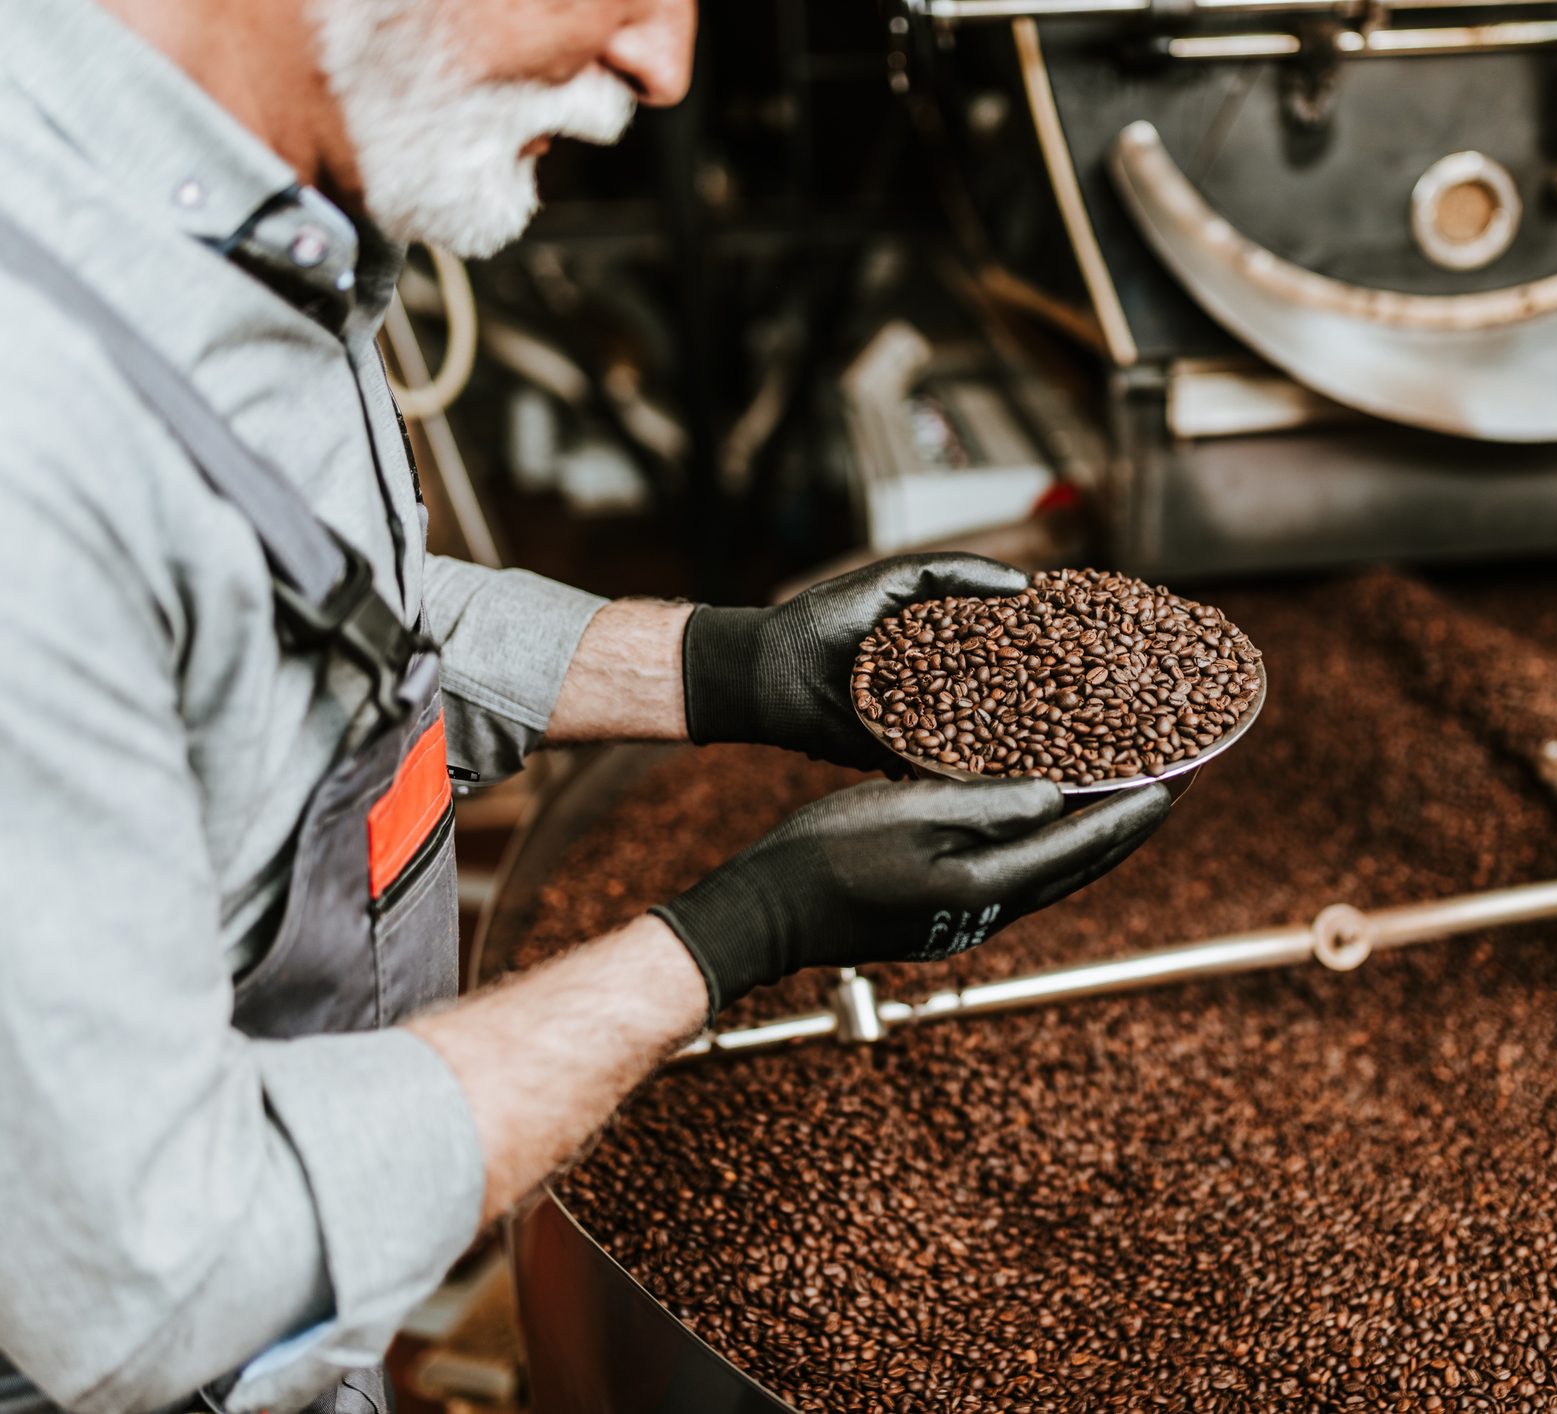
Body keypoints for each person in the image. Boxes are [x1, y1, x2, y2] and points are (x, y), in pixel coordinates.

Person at [0, 1, 1172, 1410]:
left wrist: (730, 665)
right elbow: (151, 1284)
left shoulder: (234, 191)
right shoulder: (33, 422)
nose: (666, 64)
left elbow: (284, 613)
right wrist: (735, 932)